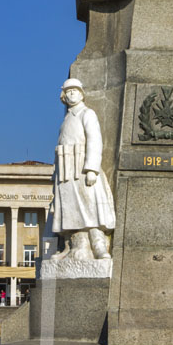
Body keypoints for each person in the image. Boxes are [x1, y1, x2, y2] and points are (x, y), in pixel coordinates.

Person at [51, 78, 116, 261]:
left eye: (75, 91)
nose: (71, 94)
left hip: (81, 166)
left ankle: (98, 246)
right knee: (69, 208)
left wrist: (92, 169)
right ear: (63, 96)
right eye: (68, 92)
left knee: (90, 207)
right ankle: (72, 245)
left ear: (81, 93)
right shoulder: (66, 119)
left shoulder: (87, 113)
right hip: (65, 169)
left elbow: (95, 141)